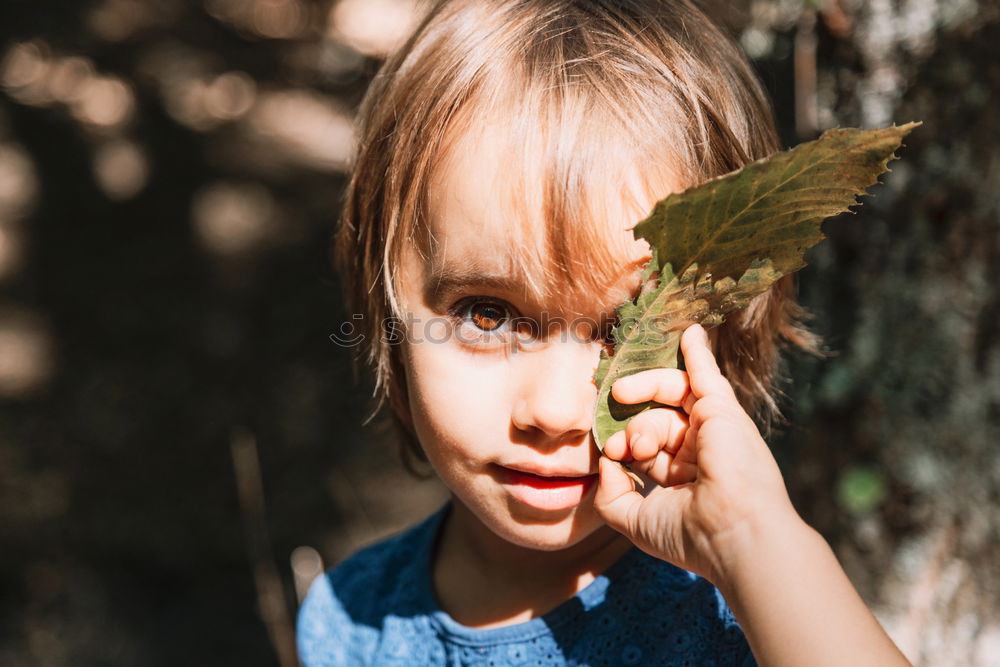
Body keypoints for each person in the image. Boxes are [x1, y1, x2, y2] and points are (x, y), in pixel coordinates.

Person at [298, 0, 911, 664]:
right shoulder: (351, 621)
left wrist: (749, 539)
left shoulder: (750, 620)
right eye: (487, 314)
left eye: (630, 327)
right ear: (390, 320)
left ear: (725, 340)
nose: (557, 411)